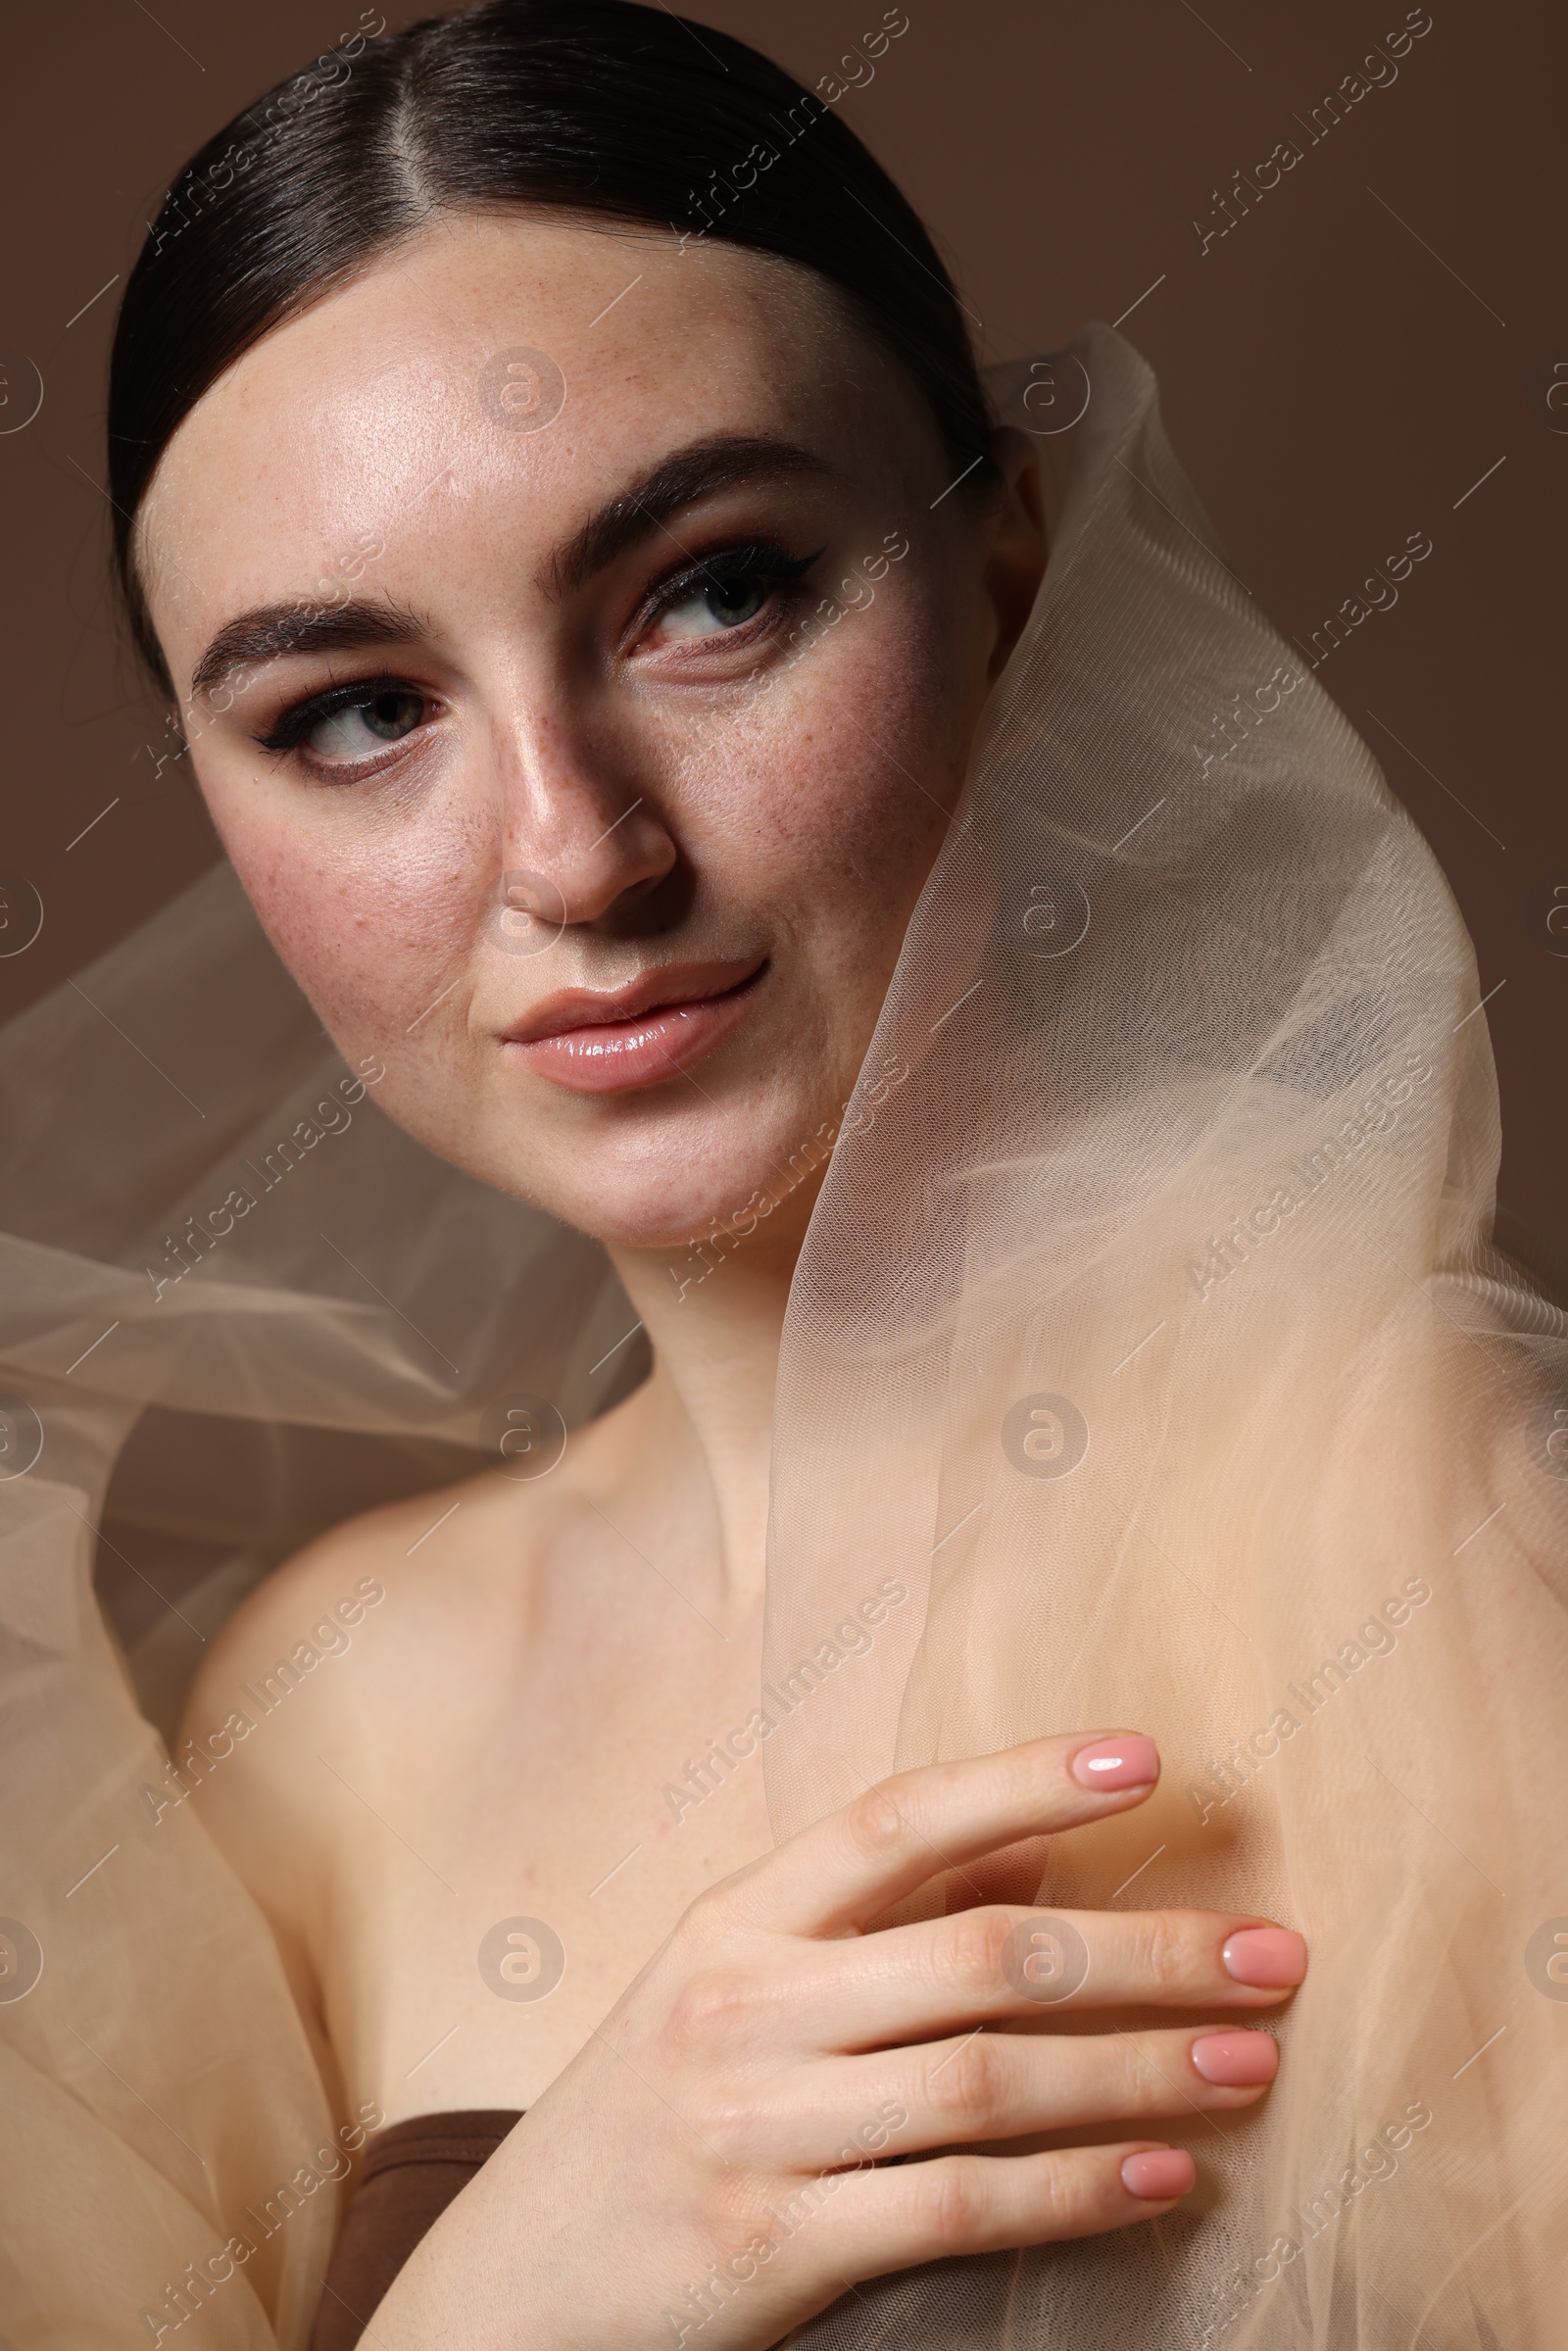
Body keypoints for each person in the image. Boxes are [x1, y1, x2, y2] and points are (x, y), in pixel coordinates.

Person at [0, 6, 1560, 2350]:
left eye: (707, 592)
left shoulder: (1427, 1513)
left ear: (1002, 569)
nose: (571, 853)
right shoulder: (320, 1706)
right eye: (354, 713)